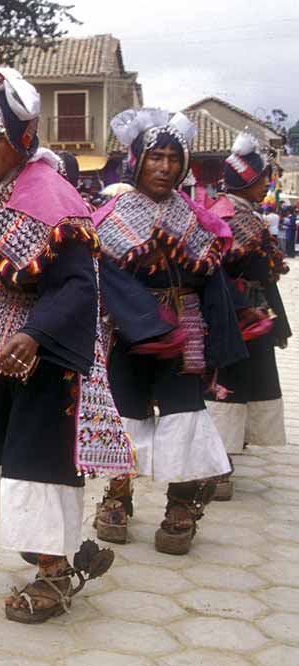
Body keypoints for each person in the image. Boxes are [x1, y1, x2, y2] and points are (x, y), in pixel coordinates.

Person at [0, 67, 125, 623]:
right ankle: (50, 543)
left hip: (48, 348)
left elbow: (76, 284)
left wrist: (32, 333)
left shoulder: (53, 195)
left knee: (36, 462)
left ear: (24, 136)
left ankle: (54, 572)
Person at [92, 107, 247, 555]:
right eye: (155, 156)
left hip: (185, 332)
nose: (164, 167)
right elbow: (101, 279)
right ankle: (117, 497)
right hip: (127, 334)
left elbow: (210, 274)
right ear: (137, 160)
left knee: (184, 415)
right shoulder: (111, 216)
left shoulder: (196, 217)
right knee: (126, 415)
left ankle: (181, 504)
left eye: (173, 158)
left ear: (184, 165)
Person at [205, 133, 291, 497]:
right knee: (225, 385)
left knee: (245, 386)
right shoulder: (223, 216)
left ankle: (227, 455)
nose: (266, 187)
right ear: (247, 181)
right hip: (231, 318)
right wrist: (241, 310)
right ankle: (216, 464)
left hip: (254, 318)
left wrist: (279, 322)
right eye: (261, 180)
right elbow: (215, 273)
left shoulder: (248, 215)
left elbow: (265, 275)